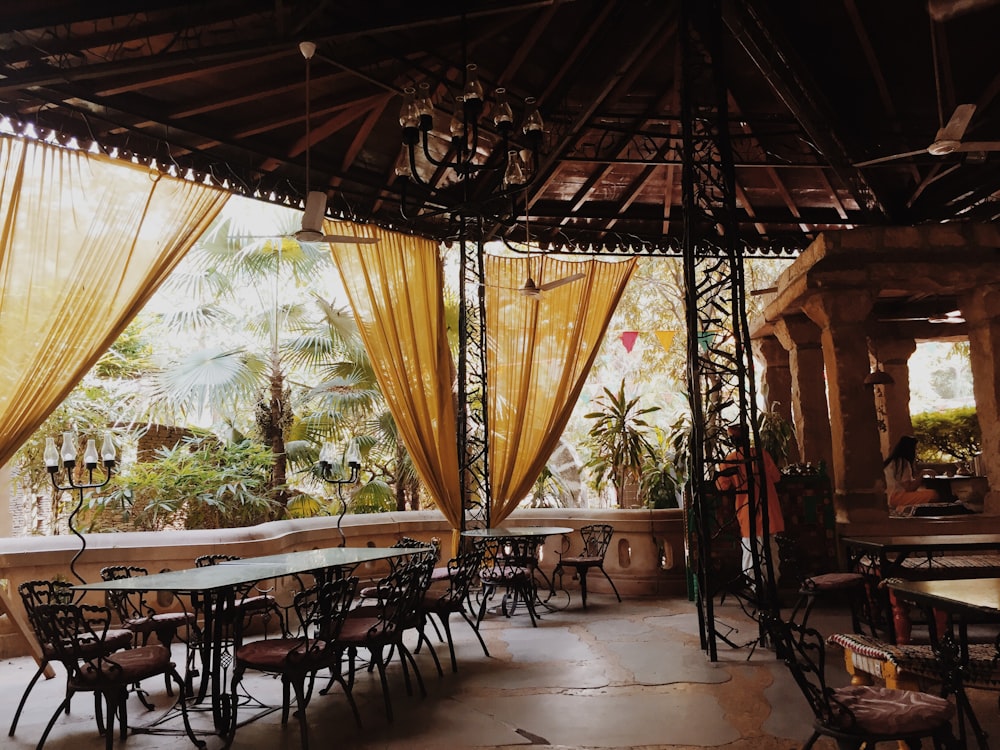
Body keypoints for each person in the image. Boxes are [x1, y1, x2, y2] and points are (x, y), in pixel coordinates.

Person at [715, 424, 785, 584]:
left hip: (748, 511)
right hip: (769, 509)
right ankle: (771, 585)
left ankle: (755, 587)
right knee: (770, 548)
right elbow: (776, 477)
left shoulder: (730, 460)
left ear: (732, 441)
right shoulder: (762, 454)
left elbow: (722, 486)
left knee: (750, 549)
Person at [883, 435, 940, 509]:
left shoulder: (893, 462)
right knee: (933, 494)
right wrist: (922, 474)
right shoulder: (902, 463)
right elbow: (909, 488)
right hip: (895, 498)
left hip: (889, 496)